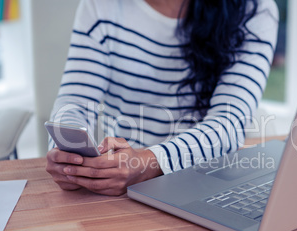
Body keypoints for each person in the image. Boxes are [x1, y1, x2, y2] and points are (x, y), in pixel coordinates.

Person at [46, 0, 279, 196]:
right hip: (119, 186)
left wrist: (147, 163)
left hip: (205, 184)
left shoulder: (254, 11)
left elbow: (228, 125)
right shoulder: (101, 7)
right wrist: (68, 154)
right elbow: (75, 101)